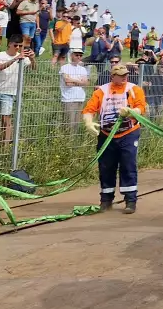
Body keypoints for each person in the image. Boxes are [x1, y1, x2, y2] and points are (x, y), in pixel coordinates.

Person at [82, 63, 147, 214]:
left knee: (128, 165)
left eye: (126, 75)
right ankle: (106, 199)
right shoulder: (102, 91)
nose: (125, 77)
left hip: (128, 133)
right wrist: (88, 122)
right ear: (113, 76)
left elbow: (141, 107)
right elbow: (89, 109)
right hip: (106, 135)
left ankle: (130, 200)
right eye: (121, 75)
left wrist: (131, 111)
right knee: (106, 167)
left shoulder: (134, 89)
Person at [0, 35, 36, 142]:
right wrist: (15, 59)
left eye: (20, 46)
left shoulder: (22, 57)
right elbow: (0, 67)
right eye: (16, 45)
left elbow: (33, 69)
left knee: (6, 119)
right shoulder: (0, 55)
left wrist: (32, 58)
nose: (18, 48)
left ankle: (6, 145)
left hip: (9, 93)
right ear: (9, 44)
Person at [59, 48, 89, 133]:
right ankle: (67, 143)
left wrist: (73, 80)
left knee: (76, 124)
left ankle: (73, 143)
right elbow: (67, 82)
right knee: (69, 124)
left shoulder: (82, 69)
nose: (78, 57)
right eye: (76, 55)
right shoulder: (65, 68)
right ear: (71, 55)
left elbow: (86, 83)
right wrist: (80, 81)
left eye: (80, 55)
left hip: (80, 98)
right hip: (69, 99)